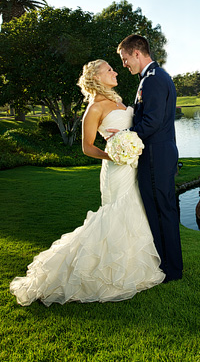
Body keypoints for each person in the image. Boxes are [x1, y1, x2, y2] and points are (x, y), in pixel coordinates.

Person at [9, 59, 165, 307]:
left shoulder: (118, 100)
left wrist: (130, 145)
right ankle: (101, 273)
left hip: (132, 167)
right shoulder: (94, 109)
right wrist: (113, 154)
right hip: (116, 168)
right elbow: (87, 147)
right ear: (96, 78)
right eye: (109, 70)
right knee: (115, 215)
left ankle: (133, 268)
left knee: (134, 212)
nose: (115, 72)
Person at [116, 34, 183, 282]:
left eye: (125, 59)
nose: (124, 65)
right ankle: (167, 265)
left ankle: (170, 269)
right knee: (161, 210)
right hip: (159, 154)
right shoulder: (153, 77)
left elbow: (152, 121)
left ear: (136, 53)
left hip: (156, 155)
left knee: (161, 211)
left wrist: (125, 136)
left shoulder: (153, 80)